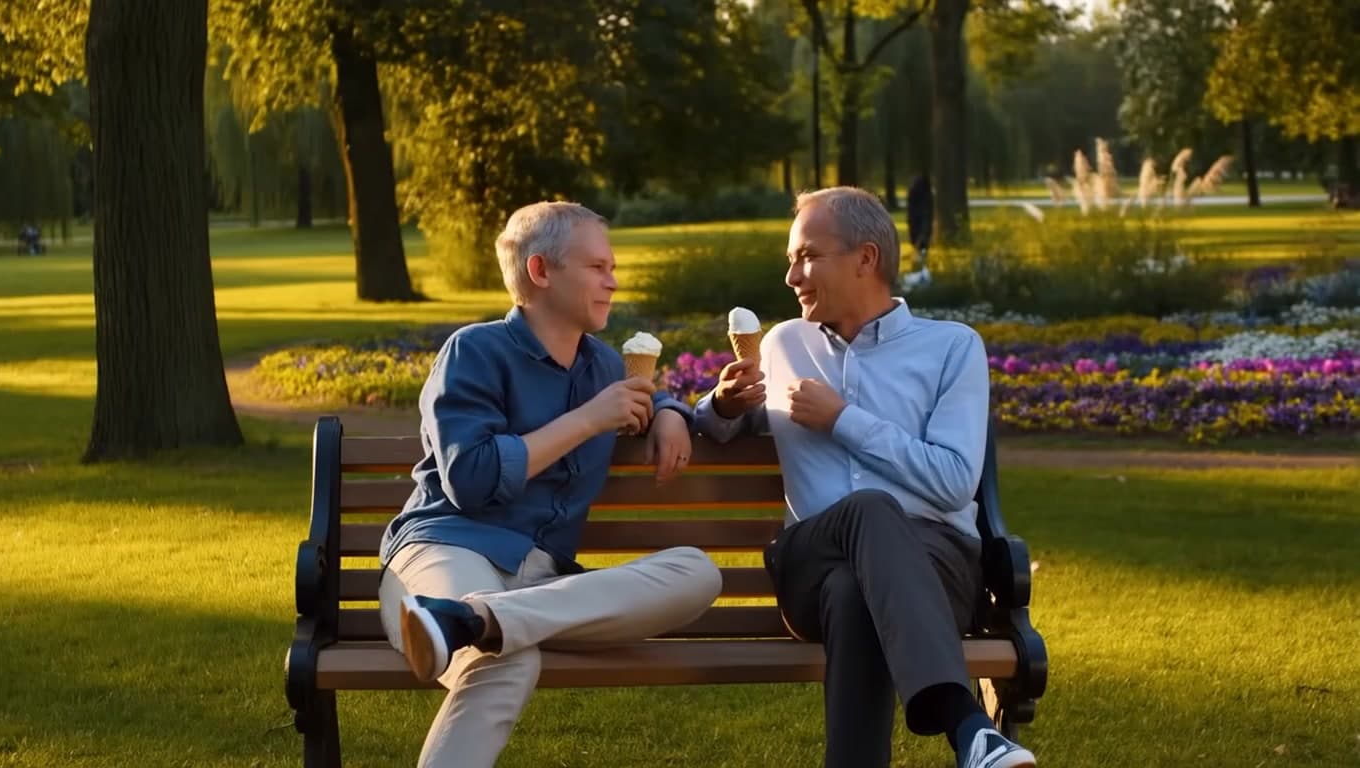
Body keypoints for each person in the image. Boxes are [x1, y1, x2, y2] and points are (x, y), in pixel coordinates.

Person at [695, 187, 1036, 768]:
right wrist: (720, 405)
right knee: (869, 512)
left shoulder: (952, 348)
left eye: (807, 257)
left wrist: (843, 420)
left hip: (934, 568)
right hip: (810, 561)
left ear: (866, 258)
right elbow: (723, 423)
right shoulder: (785, 344)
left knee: (855, 591)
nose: (791, 277)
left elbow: (956, 482)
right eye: (790, 260)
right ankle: (965, 724)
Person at [380, 201, 723, 768]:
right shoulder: (475, 351)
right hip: (448, 549)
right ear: (540, 271)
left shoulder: (604, 366)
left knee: (699, 572)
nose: (613, 282)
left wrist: (669, 412)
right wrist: (587, 420)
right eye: (596, 267)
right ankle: (461, 618)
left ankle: (472, 621)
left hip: (543, 583)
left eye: (612, 268)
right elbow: (470, 479)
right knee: (504, 660)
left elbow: (650, 396)